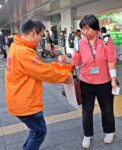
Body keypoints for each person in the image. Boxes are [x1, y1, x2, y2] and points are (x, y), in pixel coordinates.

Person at [5, 19, 72, 150]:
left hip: (18, 99)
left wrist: (59, 67)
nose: (42, 38)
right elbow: (43, 72)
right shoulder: (23, 52)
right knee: (39, 132)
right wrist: (65, 76)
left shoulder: (16, 46)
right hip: (26, 103)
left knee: (35, 130)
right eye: (41, 35)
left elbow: (38, 68)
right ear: (33, 33)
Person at [58, 15, 118, 149]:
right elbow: (76, 61)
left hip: (105, 82)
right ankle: (87, 135)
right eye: (83, 29)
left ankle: (109, 132)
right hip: (86, 83)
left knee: (107, 109)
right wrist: (66, 60)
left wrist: (113, 80)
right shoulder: (80, 43)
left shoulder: (106, 40)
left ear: (96, 28)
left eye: (88, 29)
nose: (85, 32)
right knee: (87, 111)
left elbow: (111, 60)